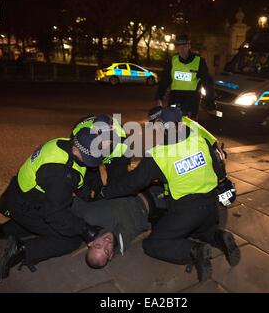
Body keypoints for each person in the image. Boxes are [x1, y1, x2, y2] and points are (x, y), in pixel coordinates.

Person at [102, 107, 240, 282]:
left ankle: (194, 251)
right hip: (211, 206)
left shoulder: (159, 155)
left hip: (187, 209)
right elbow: (216, 168)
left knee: (153, 244)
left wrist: (105, 191)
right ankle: (220, 237)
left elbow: (131, 184)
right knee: (200, 231)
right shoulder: (199, 140)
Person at [0, 127, 106, 279]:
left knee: (48, 223)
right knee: (69, 240)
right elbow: (56, 215)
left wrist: (90, 198)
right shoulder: (61, 174)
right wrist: (86, 231)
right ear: (77, 148)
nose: (93, 164)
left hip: (20, 196)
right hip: (25, 205)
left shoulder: (63, 144)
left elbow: (81, 176)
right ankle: (22, 250)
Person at [72, 186, 167, 268]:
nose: (106, 242)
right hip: (154, 201)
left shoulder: (89, 219)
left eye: (98, 245)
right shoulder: (123, 243)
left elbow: (72, 202)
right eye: (106, 250)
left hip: (128, 183)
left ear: (91, 243)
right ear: (111, 255)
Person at [154, 34, 214, 120]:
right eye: (179, 46)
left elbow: (207, 82)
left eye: (184, 46)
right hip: (175, 97)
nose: (182, 49)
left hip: (192, 99)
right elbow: (165, 80)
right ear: (176, 48)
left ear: (189, 46)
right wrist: (159, 97)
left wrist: (209, 99)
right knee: (171, 125)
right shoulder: (172, 61)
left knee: (190, 128)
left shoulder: (199, 61)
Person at [71, 114, 130, 201]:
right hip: (89, 151)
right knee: (86, 183)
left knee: (116, 186)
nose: (105, 144)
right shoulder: (80, 134)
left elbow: (120, 173)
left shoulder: (123, 142)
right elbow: (77, 165)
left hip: (115, 155)